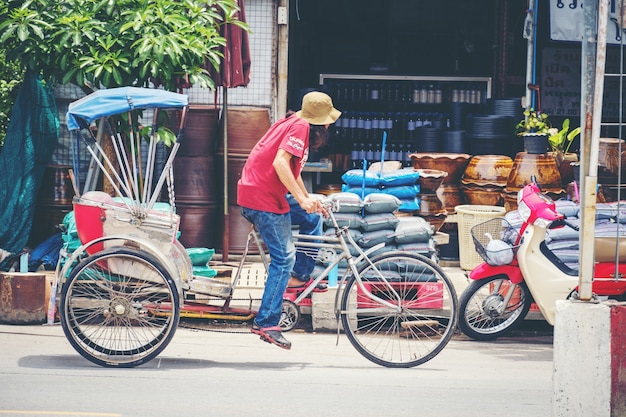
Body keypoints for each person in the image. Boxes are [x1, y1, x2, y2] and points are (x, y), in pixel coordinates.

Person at [237, 91, 341, 349]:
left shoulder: (293, 121)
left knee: (312, 218)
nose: (329, 125)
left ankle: (300, 277)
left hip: (263, 192)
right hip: (262, 199)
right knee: (283, 258)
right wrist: (304, 200)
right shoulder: (301, 127)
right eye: (328, 121)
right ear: (320, 122)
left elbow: (291, 174)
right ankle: (267, 323)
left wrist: (309, 201)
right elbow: (280, 164)